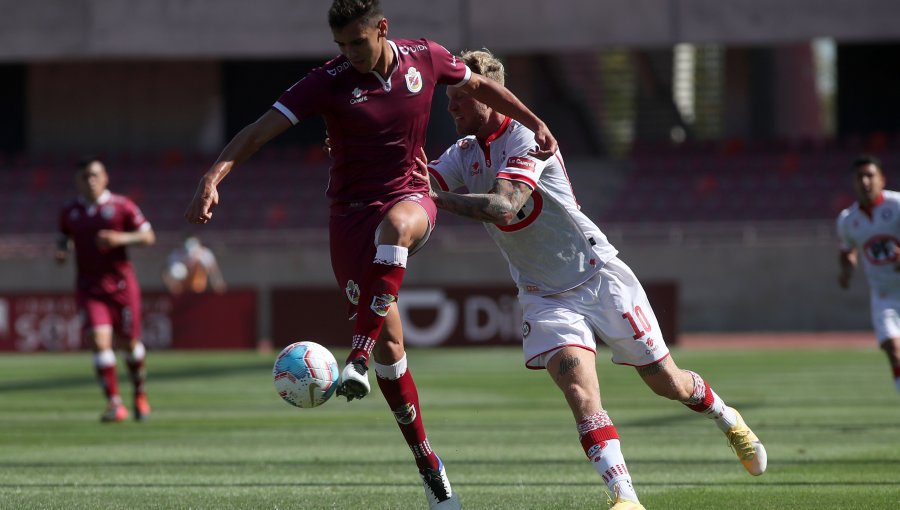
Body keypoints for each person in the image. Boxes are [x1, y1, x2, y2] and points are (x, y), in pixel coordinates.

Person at [184, 1, 556, 507]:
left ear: (382, 29)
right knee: (394, 355)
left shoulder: (425, 57)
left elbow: (479, 85)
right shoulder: (328, 81)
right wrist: (212, 177)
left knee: (397, 227)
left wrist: (533, 121)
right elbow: (259, 130)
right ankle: (429, 463)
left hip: (411, 195)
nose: (350, 54)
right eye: (341, 46)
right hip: (349, 219)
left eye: (357, 42)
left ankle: (354, 355)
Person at [414, 50, 767, 510]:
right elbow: (418, 183)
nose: (450, 107)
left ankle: (728, 418)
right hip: (544, 294)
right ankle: (626, 499)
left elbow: (503, 206)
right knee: (580, 392)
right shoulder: (463, 153)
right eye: (449, 99)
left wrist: (438, 197)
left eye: (460, 98)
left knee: (666, 381)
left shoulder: (525, 138)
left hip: (598, 275)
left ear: (491, 99)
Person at [56, 157, 156, 423]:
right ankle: (114, 403)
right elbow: (63, 236)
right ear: (77, 181)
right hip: (89, 287)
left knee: (129, 344)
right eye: (84, 176)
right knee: (100, 343)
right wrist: (61, 251)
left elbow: (148, 236)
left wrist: (120, 238)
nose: (90, 180)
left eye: (95, 175)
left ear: (105, 178)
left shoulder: (122, 206)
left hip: (122, 287)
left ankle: (139, 393)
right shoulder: (70, 211)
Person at [837, 155, 900, 396]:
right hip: (884, 295)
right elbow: (847, 250)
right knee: (893, 349)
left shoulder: (897, 206)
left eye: (870, 175)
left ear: (882, 179)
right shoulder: (847, 220)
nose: (865, 181)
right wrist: (846, 271)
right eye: (859, 177)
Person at [162, 235, 226, 295]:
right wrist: (172, 285)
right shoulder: (176, 255)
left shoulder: (205, 254)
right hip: (181, 290)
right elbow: (165, 272)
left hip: (198, 290)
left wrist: (218, 284)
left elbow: (213, 271)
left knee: (198, 266)